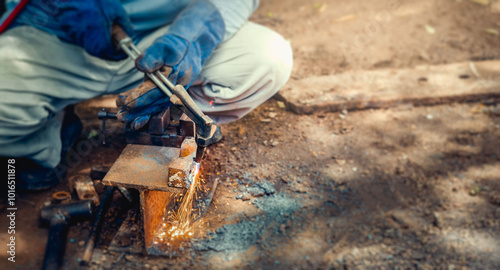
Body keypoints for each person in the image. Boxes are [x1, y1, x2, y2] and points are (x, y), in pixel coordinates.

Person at [0, 0, 293, 190]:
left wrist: (196, 31)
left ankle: (168, 118)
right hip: (54, 36)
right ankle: (45, 138)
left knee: (268, 59)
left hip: (163, 35)